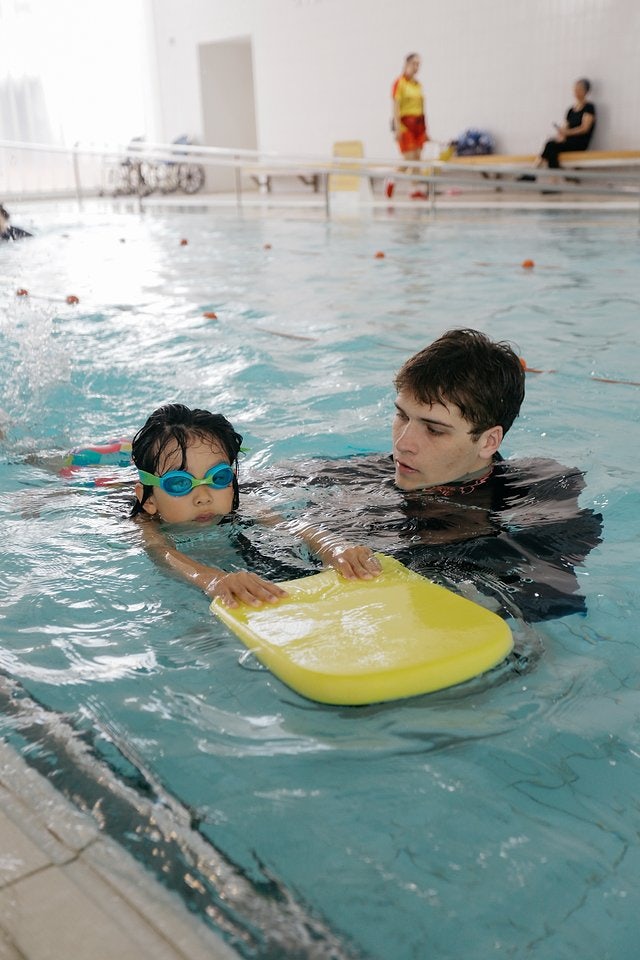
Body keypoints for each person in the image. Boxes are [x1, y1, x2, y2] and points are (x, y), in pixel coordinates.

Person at [247, 329, 602, 624]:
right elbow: (240, 492)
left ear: (489, 441)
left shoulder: (534, 490)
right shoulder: (362, 473)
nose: (404, 444)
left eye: (434, 430)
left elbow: (553, 598)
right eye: (402, 416)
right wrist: (320, 539)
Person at [131, 403, 380, 607]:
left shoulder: (243, 504)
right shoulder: (145, 523)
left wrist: (332, 547)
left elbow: (289, 527)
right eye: (179, 484)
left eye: (218, 478)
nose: (204, 496)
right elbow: (162, 553)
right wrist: (213, 580)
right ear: (150, 499)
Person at [518, 79, 596, 183]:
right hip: (568, 141)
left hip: (580, 142)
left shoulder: (589, 107)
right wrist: (561, 135)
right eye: (575, 89)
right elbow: (565, 128)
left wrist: (567, 133)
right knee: (552, 147)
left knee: (550, 146)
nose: (576, 92)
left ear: (585, 91)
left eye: (579, 89)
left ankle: (535, 173)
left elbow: (584, 128)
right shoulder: (571, 110)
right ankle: (552, 180)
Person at [385, 53, 429, 200]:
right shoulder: (399, 83)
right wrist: (397, 128)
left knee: (417, 157)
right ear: (407, 64)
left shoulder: (418, 85)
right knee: (408, 157)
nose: (416, 67)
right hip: (405, 125)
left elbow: (422, 107)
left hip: (418, 125)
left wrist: (425, 128)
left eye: (418, 65)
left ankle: (414, 188)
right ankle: (391, 178)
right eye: (414, 64)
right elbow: (396, 106)